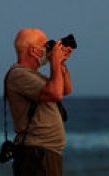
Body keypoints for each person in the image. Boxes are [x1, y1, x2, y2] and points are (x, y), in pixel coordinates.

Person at [5, 28, 73, 176]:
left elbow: (65, 90)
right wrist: (54, 60)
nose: (48, 49)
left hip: (44, 152)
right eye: (46, 45)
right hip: (36, 153)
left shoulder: (35, 76)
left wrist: (60, 63)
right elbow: (55, 93)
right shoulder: (19, 74)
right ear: (34, 50)